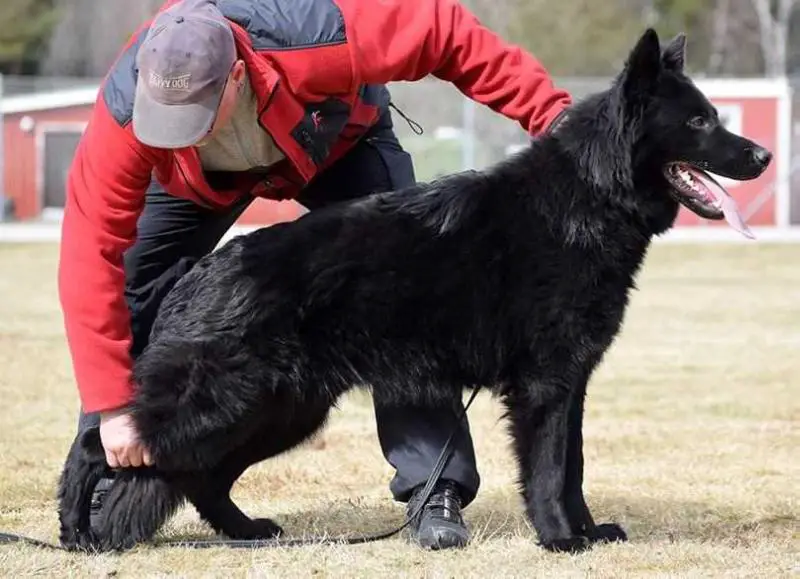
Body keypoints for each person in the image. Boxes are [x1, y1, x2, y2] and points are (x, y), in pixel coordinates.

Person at [59, 0, 572, 550]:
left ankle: (434, 486)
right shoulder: (128, 112)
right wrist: (112, 408)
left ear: (236, 74)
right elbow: (90, 257)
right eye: (169, 119)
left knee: (405, 290)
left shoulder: (321, 36)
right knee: (135, 288)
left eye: (195, 118)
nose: (185, 132)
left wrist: (555, 119)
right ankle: (110, 471)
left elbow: (448, 33)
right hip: (193, 186)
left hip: (336, 147)